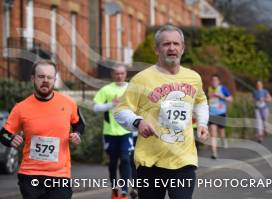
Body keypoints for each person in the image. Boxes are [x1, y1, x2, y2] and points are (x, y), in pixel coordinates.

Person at [114, 25, 209, 199]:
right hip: (150, 162)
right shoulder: (141, 78)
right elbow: (120, 111)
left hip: (183, 160)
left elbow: (201, 101)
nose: (172, 48)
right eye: (166, 44)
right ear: (157, 49)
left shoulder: (194, 78)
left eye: (176, 43)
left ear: (182, 48)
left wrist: (202, 123)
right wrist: (138, 122)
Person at [0, 60, 85, 199]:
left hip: (60, 174)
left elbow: (80, 123)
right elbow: (4, 134)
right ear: (33, 78)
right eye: (41, 77)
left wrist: (77, 133)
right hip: (30, 174)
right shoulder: (21, 108)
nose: (45, 80)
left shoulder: (68, 103)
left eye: (49, 77)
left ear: (54, 79)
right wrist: (11, 140)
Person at [93, 64, 133, 199]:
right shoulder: (106, 89)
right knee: (113, 162)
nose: (119, 76)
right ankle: (115, 187)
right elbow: (95, 107)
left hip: (127, 132)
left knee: (126, 160)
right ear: (113, 75)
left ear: (126, 74)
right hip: (110, 133)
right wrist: (111, 104)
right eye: (117, 73)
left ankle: (124, 191)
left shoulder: (131, 89)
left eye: (122, 73)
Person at [207, 74, 233, 159]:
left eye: (216, 80)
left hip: (221, 113)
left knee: (221, 131)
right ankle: (214, 153)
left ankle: (223, 140)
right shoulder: (208, 89)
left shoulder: (223, 88)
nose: (214, 82)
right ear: (211, 82)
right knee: (213, 133)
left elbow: (231, 99)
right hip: (211, 114)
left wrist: (222, 96)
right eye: (213, 80)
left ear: (218, 82)